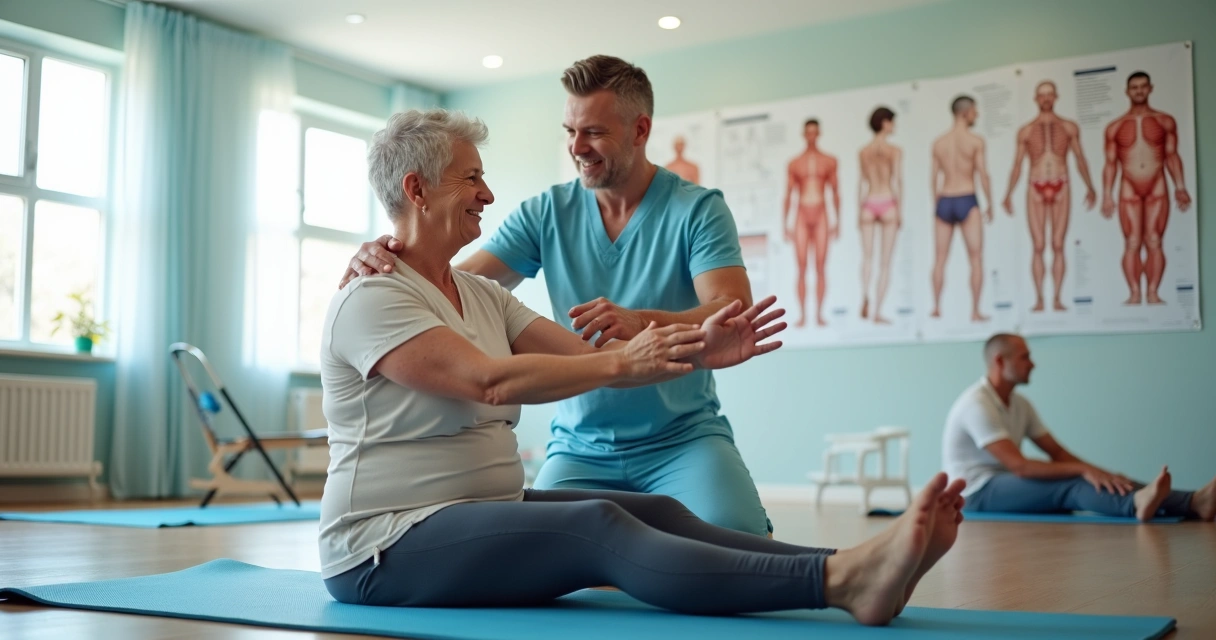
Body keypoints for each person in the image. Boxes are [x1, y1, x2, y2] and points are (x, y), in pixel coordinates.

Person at [321, 108, 968, 625]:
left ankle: (852, 562)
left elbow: (598, 360)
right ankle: (838, 583)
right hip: (386, 544)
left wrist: (699, 350)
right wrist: (623, 362)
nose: (487, 194)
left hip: (479, 509)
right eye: (471, 179)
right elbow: (488, 382)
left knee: (652, 510)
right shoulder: (374, 298)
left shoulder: (482, 294)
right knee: (595, 524)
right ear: (416, 189)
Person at [338, 55, 773, 536]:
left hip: (682, 438)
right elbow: (444, 283)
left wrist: (639, 321)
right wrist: (386, 260)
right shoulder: (546, 213)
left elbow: (728, 309)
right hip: (581, 447)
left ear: (640, 130)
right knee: (541, 549)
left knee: (738, 535)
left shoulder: (697, 209)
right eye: (570, 131)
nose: (577, 147)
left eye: (594, 132)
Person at [942, 333, 1216, 522]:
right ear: (1000, 361)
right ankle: (1134, 504)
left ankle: (1194, 501)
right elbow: (1021, 467)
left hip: (1004, 482)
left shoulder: (1020, 404)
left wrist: (1100, 472)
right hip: (975, 492)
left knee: (1108, 478)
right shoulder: (976, 404)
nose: (1032, 364)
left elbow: (1058, 453)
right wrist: (1083, 470)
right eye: (1025, 357)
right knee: (1071, 483)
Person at [1002, 81, 1097, 313]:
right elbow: (1017, 164)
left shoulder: (1069, 127)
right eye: (1042, 95)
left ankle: (1056, 298)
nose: (1045, 98)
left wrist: (1090, 186)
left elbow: (1080, 158)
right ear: (1036, 99)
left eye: (1049, 94)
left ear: (1056, 97)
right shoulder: (1026, 131)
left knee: (1057, 244)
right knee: (1038, 245)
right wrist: (1008, 194)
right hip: (1035, 185)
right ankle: (1038, 299)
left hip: (1061, 184)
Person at [1101, 71, 1191, 305]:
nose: (1139, 91)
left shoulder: (1165, 121)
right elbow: (1110, 163)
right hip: (1129, 185)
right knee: (1132, 242)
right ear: (1127, 92)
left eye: (1143, 86)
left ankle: (1152, 292)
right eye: (1134, 87)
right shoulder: (1115, 127)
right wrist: (1107, 195)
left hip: (1156, 184)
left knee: (1154, 240)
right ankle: (1134, 293)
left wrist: (1180, 186)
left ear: (1150, 88)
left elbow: (1172, 155)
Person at [930, 95, 994, 323]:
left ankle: (936, 308)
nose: (977, 115)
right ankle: (975, 311)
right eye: (974, 111)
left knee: (940, 258)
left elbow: (933, 179)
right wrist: (989, 202)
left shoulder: (939, 143)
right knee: (975, 258)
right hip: (966, 197)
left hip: (945, 199)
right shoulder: (975, 141)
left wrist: (936, 204)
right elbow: (983, 174)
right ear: (965, 113)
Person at [782, 119, 840, 328]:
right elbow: (788, 194)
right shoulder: (794, 163)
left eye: (815, 132)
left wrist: (838, 221)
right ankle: (803, 316)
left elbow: (835, 192)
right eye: (808, 132)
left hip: (821, 213)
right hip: (801, 214)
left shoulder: (829, 161)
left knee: (821, 267)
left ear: (819, 134)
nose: (811, 136)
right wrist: (785, 224)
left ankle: (819, 314)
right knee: (801, 267)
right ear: (804, 134)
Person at [857, 107, 903, 325]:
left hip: (868, 201)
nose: (894, 126)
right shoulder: (894, 150)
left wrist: (859, 210)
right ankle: (877, 311)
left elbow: (861, 183)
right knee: (885, 262)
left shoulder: (864, 151)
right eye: (892, 121)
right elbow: (898, 181)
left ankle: (865, 294)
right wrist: (900, 210)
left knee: (867, 258)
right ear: (885, 123)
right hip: (887, 201)